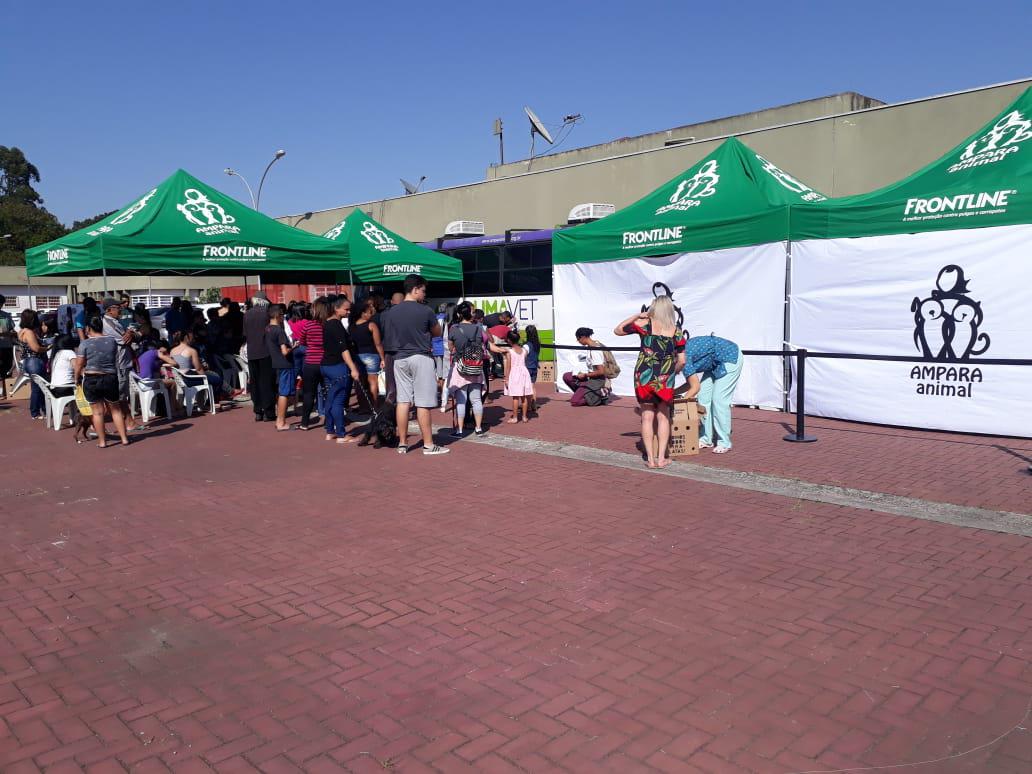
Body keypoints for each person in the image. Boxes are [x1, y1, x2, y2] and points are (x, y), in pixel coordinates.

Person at [614, 297, 686, 469]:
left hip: (643, 375)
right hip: (664, 378)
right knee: (663, 417)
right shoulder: (676, 331)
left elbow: (618, 330)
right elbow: (682, 360)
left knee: (647, 416)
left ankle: (651, 460)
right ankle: (661, 459)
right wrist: (672, 372)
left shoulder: (644, 325)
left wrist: (637, 315)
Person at [383, 274, 449, 455]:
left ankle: (402, 443)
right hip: (420, 356)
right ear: (415, 289)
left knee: (403, 401)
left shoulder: (391, 312)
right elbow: (437, 332)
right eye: (423, 290)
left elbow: (388, 337)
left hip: (399, 358)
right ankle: (428, 444)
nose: (424, 294)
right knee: (423, 402)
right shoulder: (425, 310)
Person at [680, 335, 743, 453]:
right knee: (703, 397)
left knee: (719, 400)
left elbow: (694, 387)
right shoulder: (679, 357)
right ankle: (706, 438)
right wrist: (673, 393)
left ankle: (724, 442)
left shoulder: (684, 359)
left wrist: (679, 404)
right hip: (714, 362)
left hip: (731, 357)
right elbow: (691, 384)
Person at [74, 315, 129, 448]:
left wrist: (76, 378)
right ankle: (124, 438)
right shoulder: (111, 341)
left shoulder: (85, 343)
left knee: (97, 412)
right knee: (116, 410)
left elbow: (79, 364)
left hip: (92, 378)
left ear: (88, 328)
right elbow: (115, 358)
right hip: (110, 377)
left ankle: (102, 442)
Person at [321, 296, 362, 443]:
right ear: (336, 308)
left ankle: (330, 431)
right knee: (338, 401)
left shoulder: (326, 323)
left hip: (326, 365)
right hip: (337, 366)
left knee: (330, 399)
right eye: (346, 309)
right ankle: (341, 434)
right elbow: (344, 349)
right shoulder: (336, 325)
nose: (348, 312)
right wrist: (353, 368)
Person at [447, 301, 487, 437]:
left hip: (460, 368)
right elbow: (484, 343)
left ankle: (459, 430)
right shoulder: (478, 328)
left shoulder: (454, 329)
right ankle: (478, 428)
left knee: (461, 401)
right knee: (476, 399)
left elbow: (451, 348)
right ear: (470, 313)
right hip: (476, 367)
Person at [101, 297, 141, 432]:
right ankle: (123, 423)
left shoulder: (114, 321)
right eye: (117, 308)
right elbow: (124, 340)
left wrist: (130, 333)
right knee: (119, 396)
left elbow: (129, 336)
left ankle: (129, 421)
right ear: (109, 310)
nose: (120, 310)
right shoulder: (108, 322)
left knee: (122, 394)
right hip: (119, 363)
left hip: (123, 362)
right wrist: (130, 332)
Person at [170, 330, 223, 409]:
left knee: (203, 379)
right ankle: (210, 403)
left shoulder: (172, 351)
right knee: (218, 380)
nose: (193, 339)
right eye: (191, 337)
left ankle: (202, 404)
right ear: (186, 338)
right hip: (188, 379)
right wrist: (205, 377)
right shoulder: (191, 350)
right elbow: (198, 368)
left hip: (178, 379)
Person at [296, 298, 328, 430]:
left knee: (309, 393)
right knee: (327, 392)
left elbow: (302, 341)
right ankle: (329, 421)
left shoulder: (308, 325)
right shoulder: (328, 326)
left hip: (310, 363)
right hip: (325, 362)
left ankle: (304, 423)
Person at [244, 292, 275, 422]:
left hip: (252, 352)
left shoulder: (247, 314)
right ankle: (268, 411)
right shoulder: (267, 313)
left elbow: (245, 334)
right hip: (266, 351)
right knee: (267, 382)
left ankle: (258, 410)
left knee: (255, 382)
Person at [349, 298, 386, 411]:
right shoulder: (371, 325)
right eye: (369, 312)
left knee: (360, 383)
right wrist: (382, 358)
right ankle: (374, 406)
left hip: (358, 356)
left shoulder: (352, 326)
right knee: (373, 382)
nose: (371, 314)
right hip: (372, 355)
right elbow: (378, 344)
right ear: (363, 313)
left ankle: (363, 407)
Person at [491, 329, 534, 423]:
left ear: (509, 340)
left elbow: (508, 366)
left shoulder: (509, 352)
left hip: (515, 373)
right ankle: (524, 417)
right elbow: (523, 360)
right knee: (524, 396)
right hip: (524, 372)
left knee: (515, 397)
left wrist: (506, 378)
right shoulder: (524, 350)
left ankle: (515, 417)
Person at [265, 304, 296, 432]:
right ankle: (281, 421)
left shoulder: (267, 329)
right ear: (278, 315)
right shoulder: (279, 330)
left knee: (282, 392)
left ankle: (280, 419)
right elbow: (284, 351)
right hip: (285, 364)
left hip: (275, 363)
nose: (283, 317)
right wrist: (294, 347)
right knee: (285, 393)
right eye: (282, 315)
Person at [562, 328, 609, 407]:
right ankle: (583, 393)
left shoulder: (594, 350)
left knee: (575, 402)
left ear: (583, 337)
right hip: (590, 377)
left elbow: (601, 371)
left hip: (596, 380)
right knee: (567, 376)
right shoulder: (592, 345)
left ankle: (600, 395)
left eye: (578, 339)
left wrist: (585, 375)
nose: (578, 341)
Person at [17, 309, 48, 419]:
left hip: (27, 361)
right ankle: (36, 412)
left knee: (37, 387)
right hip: (34, 361)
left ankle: (41, 411)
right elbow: (36, 348)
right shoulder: (29, 332)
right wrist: (48, 348)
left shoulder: (21, 331)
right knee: (38, 388)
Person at [524, 325, 541, 416]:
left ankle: (528, 406)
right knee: (532, 387)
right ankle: (533, 404)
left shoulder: (526, 345)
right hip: (534, 367)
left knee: (526, 388)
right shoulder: (537, 344)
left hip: (527, 367)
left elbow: (523, 356)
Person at [0, 295, 15, 399]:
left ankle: (6, 392)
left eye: (1, 304)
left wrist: (10, 333)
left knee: (7, 369)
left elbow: (12, 330)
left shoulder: (6, 316)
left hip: (6, 346)